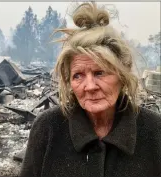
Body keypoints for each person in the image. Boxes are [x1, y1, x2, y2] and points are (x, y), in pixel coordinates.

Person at [20, 2, 161, 177]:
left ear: (122, 75)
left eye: (99, 73)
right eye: (78, 75)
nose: (90, 87)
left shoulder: (154, 130)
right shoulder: (47, 128)